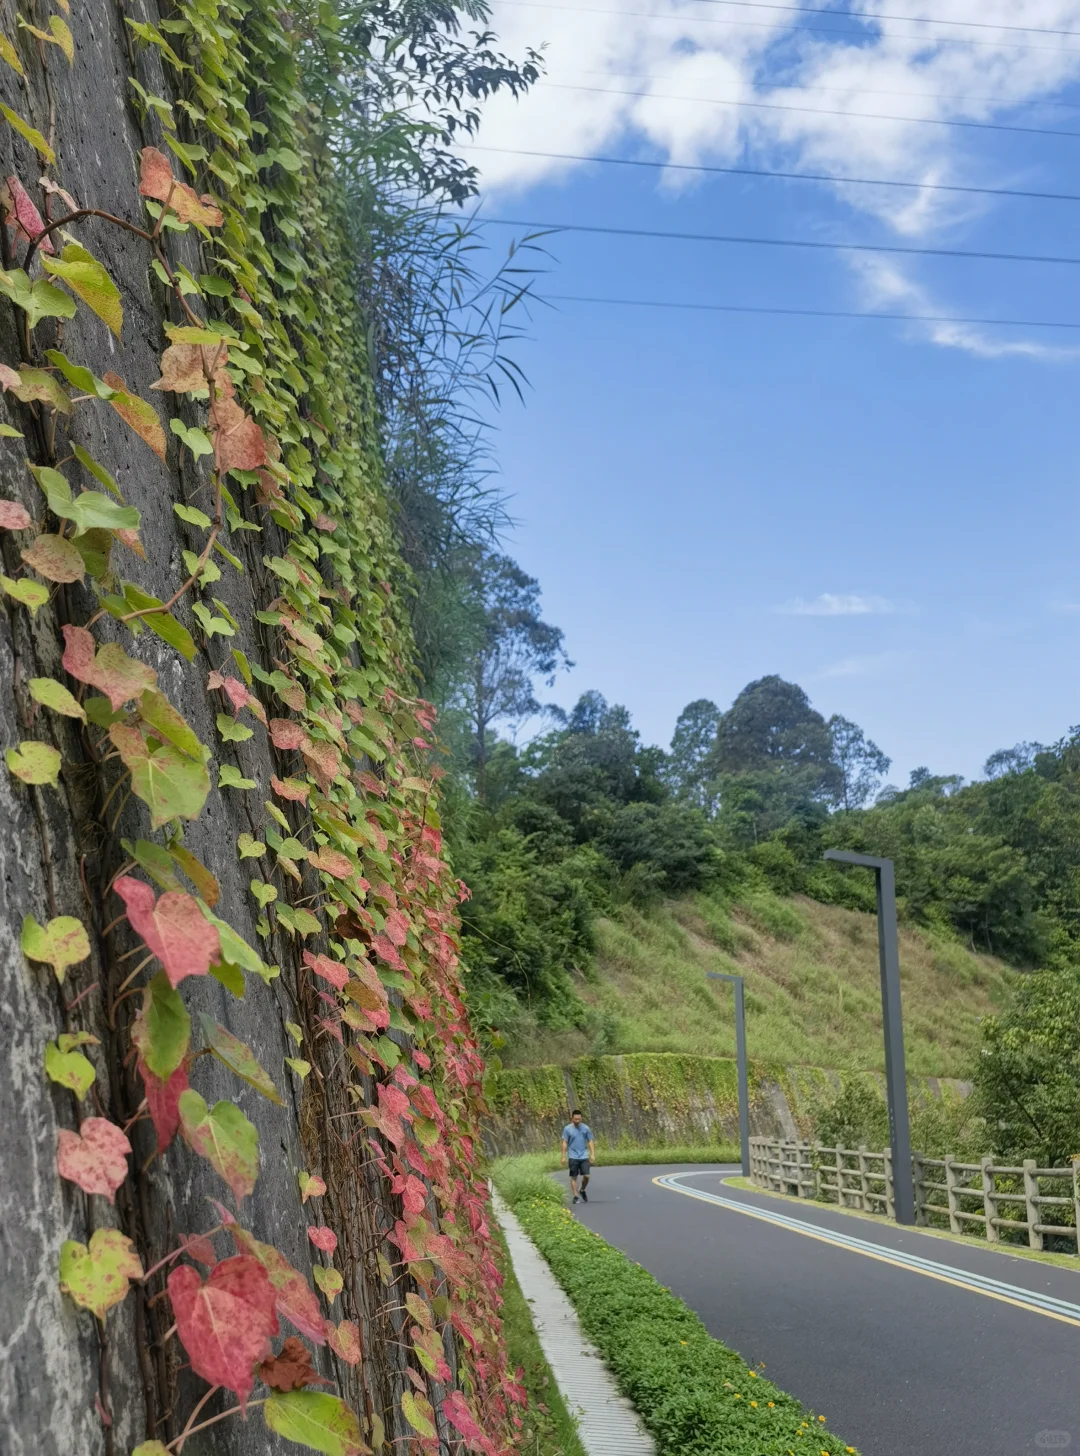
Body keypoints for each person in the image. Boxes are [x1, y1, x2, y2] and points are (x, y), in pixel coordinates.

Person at [560, 1109, 595, 1204]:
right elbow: (564, 1142)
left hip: (583, 1155)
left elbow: (590, 1141)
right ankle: (576, 1196)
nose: (577, 1121)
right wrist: (563, 1156)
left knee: (587, 1176)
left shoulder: (586, 1128)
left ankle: (582, 1190)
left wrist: (592, 1154)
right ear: (572, 1119)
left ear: (581, 1118)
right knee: (573, 1177)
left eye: (579, 1119)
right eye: (575, 1119)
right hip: (572, 1155)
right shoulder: (567, 1129)